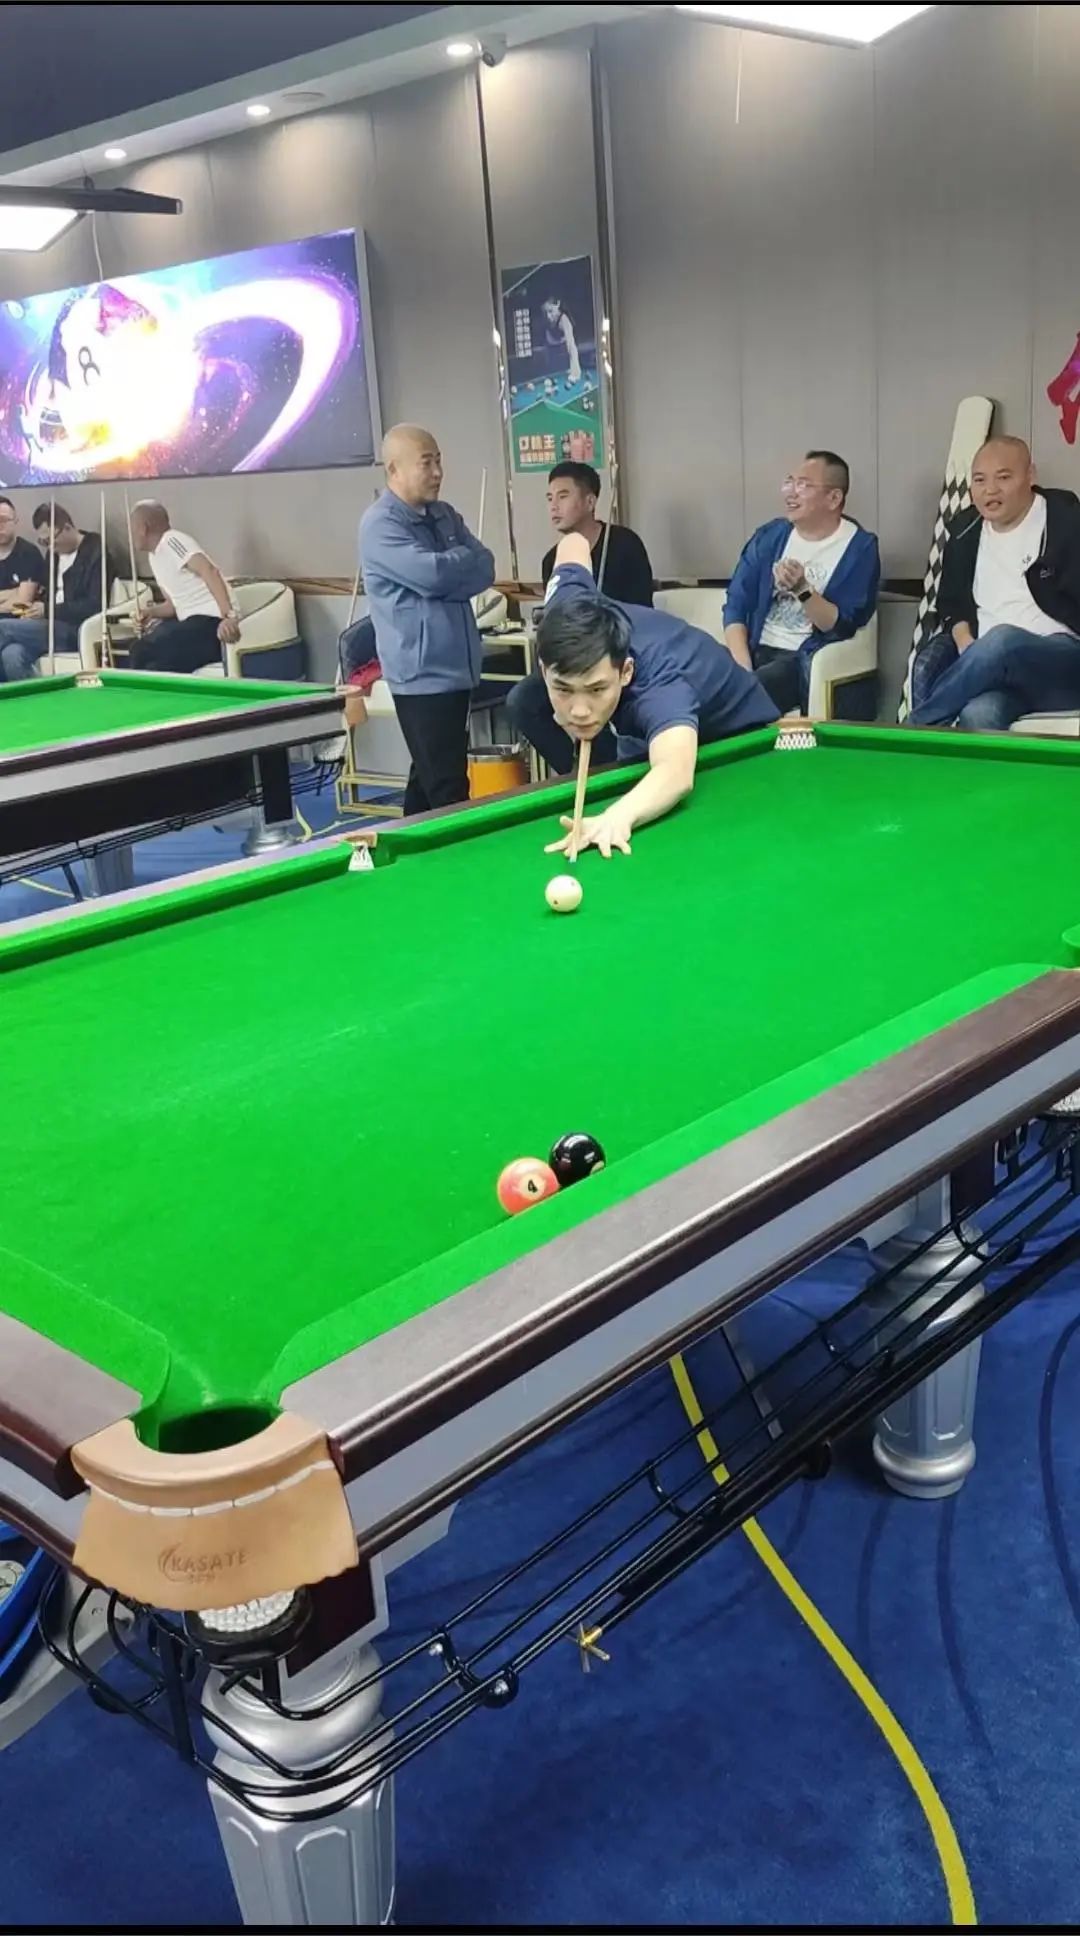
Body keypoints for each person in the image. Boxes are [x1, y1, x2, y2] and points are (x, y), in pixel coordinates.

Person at [519, 530, 778, 858]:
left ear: (625, 671)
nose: (579, 710)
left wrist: (617, 817)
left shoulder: (659, 684)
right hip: (650, 727)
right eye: (563, 688)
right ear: (544, 670)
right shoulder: (565, 607)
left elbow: (676, 772)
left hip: (738, 739)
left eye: (596, 689)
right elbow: (574, 543)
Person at [360, 423, 495, 815]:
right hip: (421, 675)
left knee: (428, 778)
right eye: (426, 463)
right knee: (447, 786)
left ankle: (409, 845)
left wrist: (446, 575)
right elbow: (432, 576)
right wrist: (454, 570)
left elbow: (486, 567)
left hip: (457, 669)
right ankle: (463, 853)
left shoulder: (444, 514)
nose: (437, 472)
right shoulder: (381, 524)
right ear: (394, 469)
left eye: (439, 461)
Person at [908, 437, 1080, 732]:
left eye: (1003, 477)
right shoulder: (964, 531)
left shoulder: (1067, 521)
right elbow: (952, 604)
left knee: (1003, 640)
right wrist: (968, 646)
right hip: (995, 672)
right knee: (980, 713)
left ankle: (916, 727)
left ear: (1030, 476)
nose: (990, 490)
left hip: (1061, 664)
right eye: (979, 480)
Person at [509, 463, 654, 764]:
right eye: (549, 498)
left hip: (620, 660)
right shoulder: (553, 560)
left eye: (563, 496)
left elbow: (642, 613)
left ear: (590, 501)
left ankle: (612, 766)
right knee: (522, 700)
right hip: (574, 662)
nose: (554, 506)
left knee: (603, 696)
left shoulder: (624, 544)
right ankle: (580, 770)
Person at [723, 452, 880, 715]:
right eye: (789, 482)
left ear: (834, 498)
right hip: (752, 650)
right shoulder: (770, 536)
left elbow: (841, 626)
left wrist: (802, 590)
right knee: (696, 672)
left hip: (798, 659)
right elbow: (736, 605)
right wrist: (742, 669)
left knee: (750, 692)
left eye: (803, 485)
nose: (791, 493)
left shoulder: (859, 548)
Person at [0, 505, 109, 682]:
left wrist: (47, 610)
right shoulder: (53, 555)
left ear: (67, 527)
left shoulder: (96, 554)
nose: (50, 546)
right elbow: (44, 591)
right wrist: (35, 608)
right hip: (46, 626)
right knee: (11, 655)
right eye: (44, 542)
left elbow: (94, 605)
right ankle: (35, 699)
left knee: (2, 628)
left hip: (74, 628)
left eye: (51, 540)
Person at [129, 501, 241, 672]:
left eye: (132, 529)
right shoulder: (154, 557)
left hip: (212, 622)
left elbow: (209, 570)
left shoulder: (172, 541)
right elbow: (173, 605)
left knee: (144, 649)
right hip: (190, 625)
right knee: (144, 655)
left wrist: (229, 617)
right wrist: (149, 613)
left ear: (143, 528)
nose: (131, 535)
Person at [0, 498, 44, 623]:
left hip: (18, 624)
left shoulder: (28, 553)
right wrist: (14, 592)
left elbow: (22, 602)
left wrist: (17, 595)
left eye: (4, 520)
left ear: (16, 521)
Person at [541, 295, 581, 385]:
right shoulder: (546, 319)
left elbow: (571, 345)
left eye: (550, 311)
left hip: (569, 337)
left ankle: (576, 371)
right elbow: (548, 340)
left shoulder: (564, 320)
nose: (548, 316)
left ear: (558, 305)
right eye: (545, 312)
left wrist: (575, 372)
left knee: (571, 347)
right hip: (555, 339)